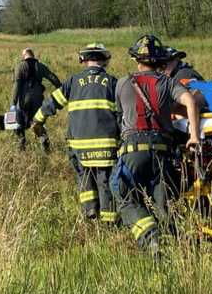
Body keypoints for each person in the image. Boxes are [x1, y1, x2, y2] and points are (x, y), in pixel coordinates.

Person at [110, 35, 200, 250]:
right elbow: (191, 102)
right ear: (160, 61)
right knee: (164, 205)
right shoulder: (169, 83)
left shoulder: (123, 83)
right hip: (163, 153)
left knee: (122, 194)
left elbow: (120, 118)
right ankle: (176, 247)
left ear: (135, 60)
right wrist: (194, 136)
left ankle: (152, 239)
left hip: (133, 152)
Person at [33, 43, 120, 224]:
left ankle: (90, 211)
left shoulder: (73, 82)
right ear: (104, 60)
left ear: (83, 60)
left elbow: (52, 103)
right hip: (106, 145)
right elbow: (121, 114)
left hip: (79, 145)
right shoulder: (113, 82)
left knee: (85, 176)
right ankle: (109, 222)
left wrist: (37, 120)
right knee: (105, 181)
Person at [11, 48, 61, 151]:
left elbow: (16, 85)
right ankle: (45, 145)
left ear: (24, 55)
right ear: (33, 55)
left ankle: (21, 144)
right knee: (38, 122)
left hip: (23, 100)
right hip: (37, 99)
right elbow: (53, 77)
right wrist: (61, 89)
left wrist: (13, 103)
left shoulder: (20, 66)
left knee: (19, 122)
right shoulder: (40, 66)